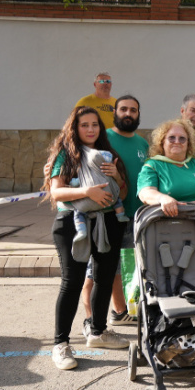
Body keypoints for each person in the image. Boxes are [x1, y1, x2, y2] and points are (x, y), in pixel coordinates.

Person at [45, 106, 129, 370]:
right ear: (75, 128)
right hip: (72, 223)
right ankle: (60, 345)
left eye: (95, 125)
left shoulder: (109, 155)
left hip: (108, 222)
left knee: (104, 279)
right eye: (85, 125)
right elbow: (57, 192)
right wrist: (87, 192)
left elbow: (122, 194)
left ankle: (98, 332)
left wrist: (117, 177)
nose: (91, 129)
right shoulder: (65, 155)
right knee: (72, 282)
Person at [100, 95, 148, 324]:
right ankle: (118, 312)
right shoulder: (103, 138)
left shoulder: (142, 143)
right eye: (124, 109)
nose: (128, 113)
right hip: (111, 213)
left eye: (133, 110)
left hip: (138, 214)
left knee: (131, 264)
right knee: (112, 267)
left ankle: (130, 309)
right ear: (115, 112)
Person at [137, 119, 195, 217]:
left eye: (182, 138)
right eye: (171, 138)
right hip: (169, 228)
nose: (177, 142)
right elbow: (145, 193)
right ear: (162, 142)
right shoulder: (152, 165)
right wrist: (162, 198)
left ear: (188, 143)